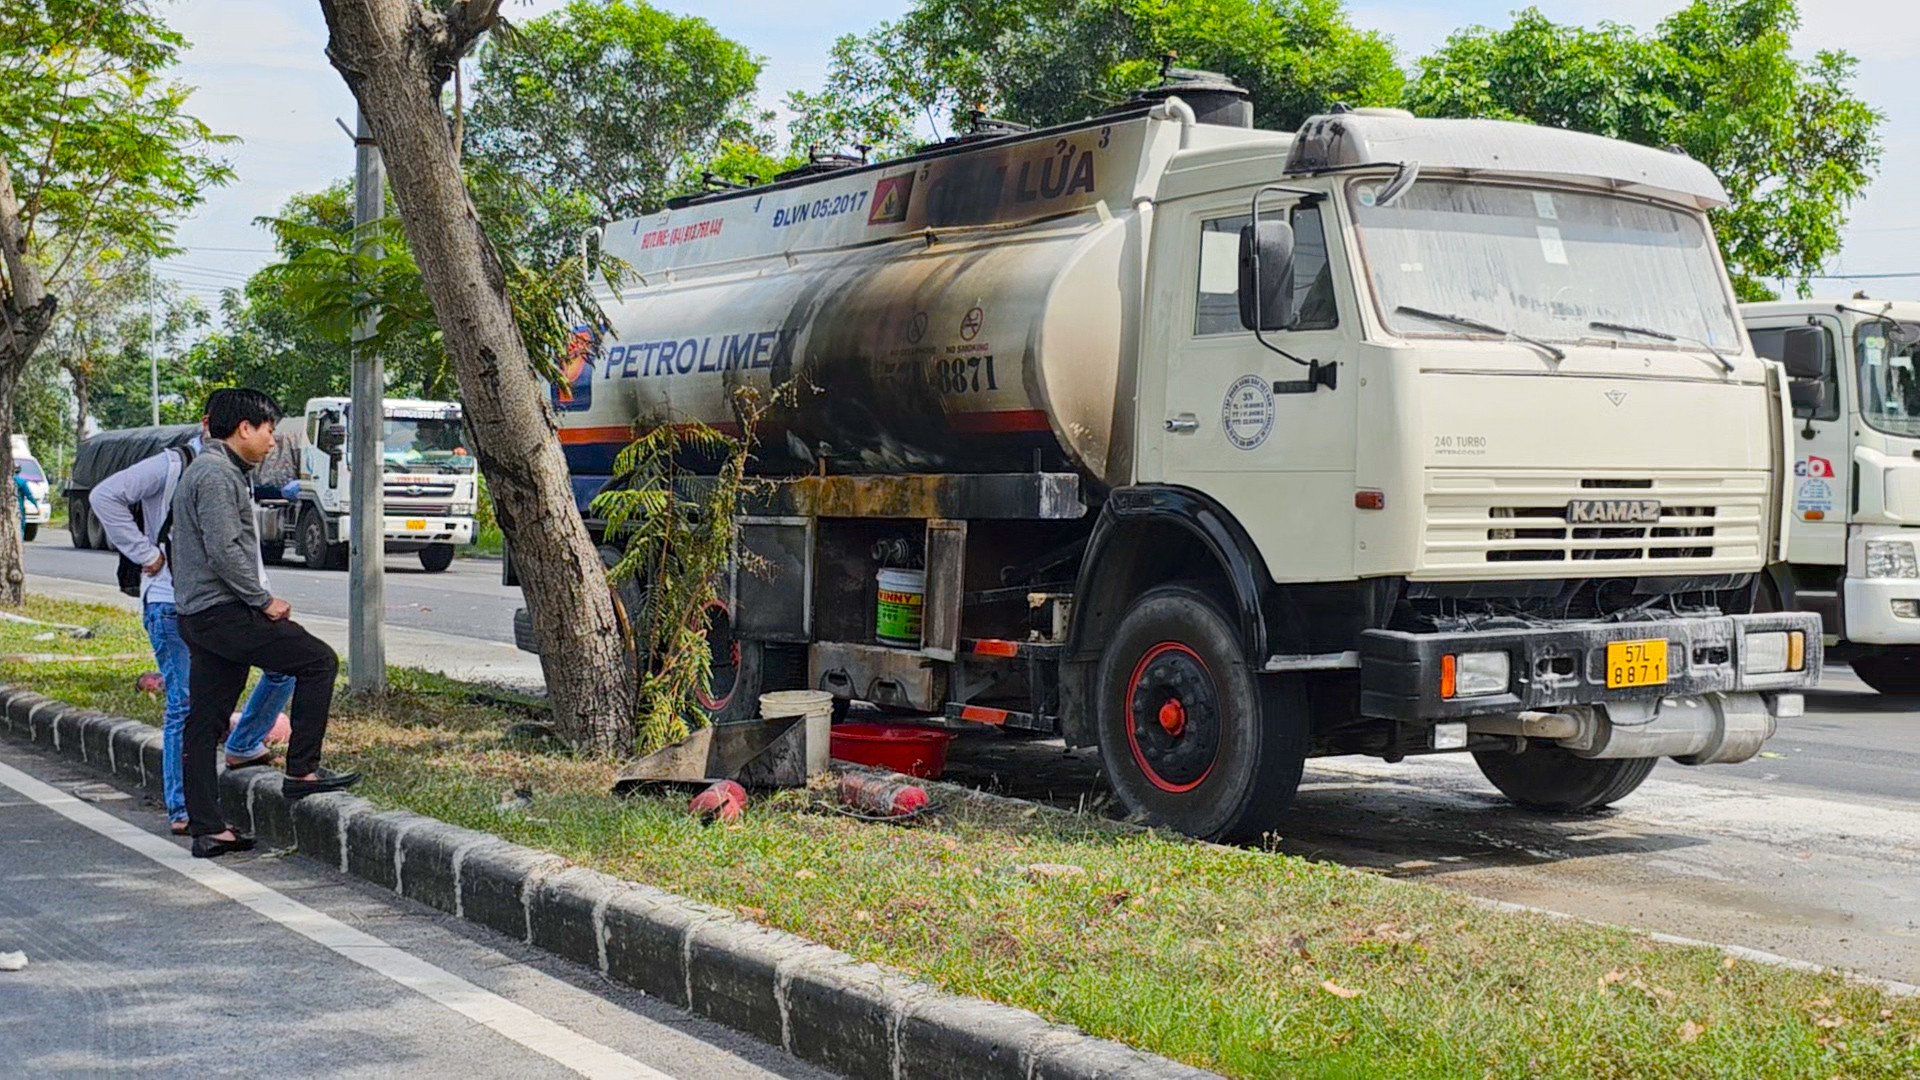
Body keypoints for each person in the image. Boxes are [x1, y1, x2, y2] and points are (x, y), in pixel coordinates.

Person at [172, 389, 357, 858]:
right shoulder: (215, 475)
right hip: (224, 612)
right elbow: (223, 549)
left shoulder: (217, 470)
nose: (273, 441)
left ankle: (208, 828)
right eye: (269, 430)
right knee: (317, 662)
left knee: (205, 721)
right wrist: (262, 600)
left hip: (202, 614)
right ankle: (302, 772)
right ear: (244, 429)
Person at [91, 427, 298, 837]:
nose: (269, 441)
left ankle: (243, 744)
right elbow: (104, 495)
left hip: (232, 603)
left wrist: (260, 594)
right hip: (171, 602)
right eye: (262, 429)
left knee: (288, 664)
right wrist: (145, 553)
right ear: (212, 424)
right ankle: (184, 808)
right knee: (185, 703)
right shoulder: (171, 464)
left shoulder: (236, 472)